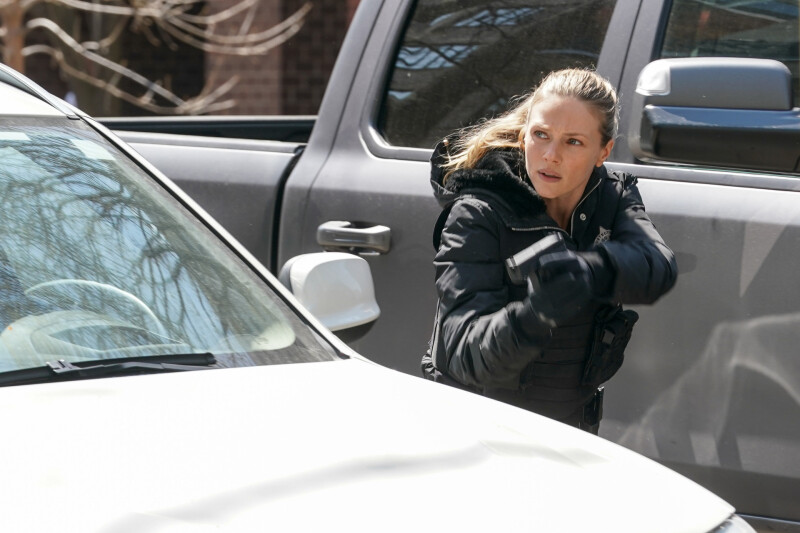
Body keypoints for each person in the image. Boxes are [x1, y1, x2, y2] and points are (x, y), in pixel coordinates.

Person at [421, 68, 677, 434]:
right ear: (524, 136)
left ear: (603, 152)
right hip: (477, 428)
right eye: (541, 135)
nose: (551, 156)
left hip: (568, 428)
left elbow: (658, 264)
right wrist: (536, 312)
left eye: (573, 142)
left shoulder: (613, 195)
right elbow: (465, 354)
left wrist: (590, 271)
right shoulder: (479, 211)